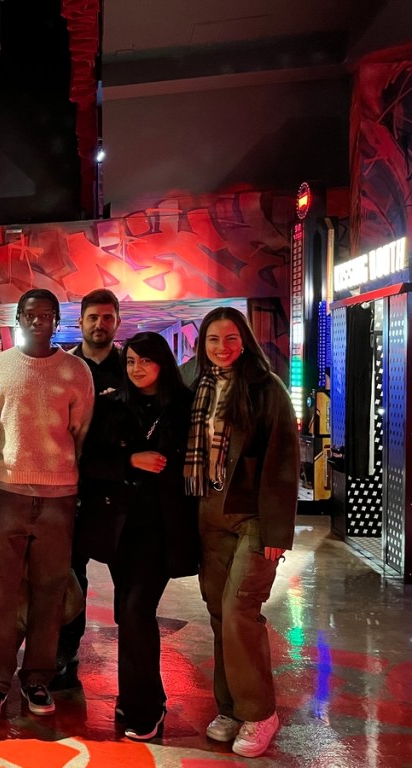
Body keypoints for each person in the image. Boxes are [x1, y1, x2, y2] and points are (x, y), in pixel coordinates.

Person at [0, 289, 94, 719]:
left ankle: (38, 679)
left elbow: (80, 433)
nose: (38, 320)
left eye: (47, 314)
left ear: (58, 320)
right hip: (8, 494)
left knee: (50, 590)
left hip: (60, 498)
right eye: (30, 314)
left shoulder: (76, 370)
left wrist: (61, 473)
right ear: (18, 318)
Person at [185, 307, 299, 759]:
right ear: (203, 344)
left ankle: (260, 711)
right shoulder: (195, 383)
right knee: (217, 612)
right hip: (208, 511)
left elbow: (284, 462)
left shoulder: (265, 388)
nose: (222, 348)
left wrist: (277, 530)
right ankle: (229, 706)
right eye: (214, 340)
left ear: (245, 340)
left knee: (239, 611)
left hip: (253, 515)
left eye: (231, 339)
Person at [75, 332, 199, 740]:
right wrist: (131, 460)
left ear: (163, 362)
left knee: (134, 611)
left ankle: (145, 707)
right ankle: (137, 696)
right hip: (121, 531)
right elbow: (89, 462)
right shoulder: (112, 405)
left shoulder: (186, 407)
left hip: (163, 530)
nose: (136, 368)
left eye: (145, 360)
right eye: (130, 361)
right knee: (127, 613)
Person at [55, 288, 125, 689]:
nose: (100, 324)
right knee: (71, 575)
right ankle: (66, 651)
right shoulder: (63, 367)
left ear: (117, 322)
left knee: (128, 578)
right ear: (79, 322)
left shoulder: (131, 366)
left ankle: (132, 653)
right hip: (73, 489)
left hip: (120, 490)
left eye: (108, 317)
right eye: (93, 318)